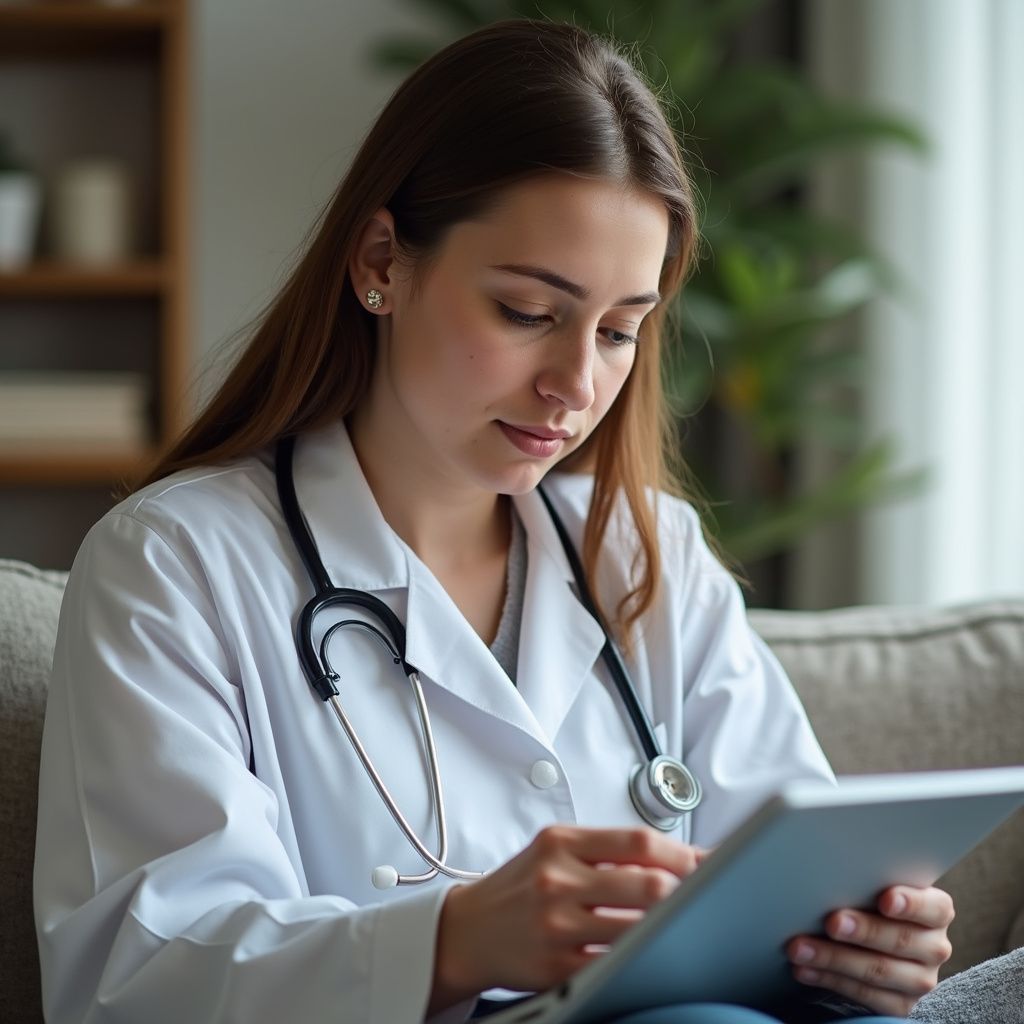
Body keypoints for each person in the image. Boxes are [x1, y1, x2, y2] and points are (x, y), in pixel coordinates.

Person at [33, 18, 954, 1024]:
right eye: (527, 312)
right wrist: (453, 938)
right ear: (382, 259)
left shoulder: (646, 553)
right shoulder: (177, 564)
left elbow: (793, 869)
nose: (574, 383)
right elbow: (136, 978)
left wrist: (870, 942)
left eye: (617, 331)